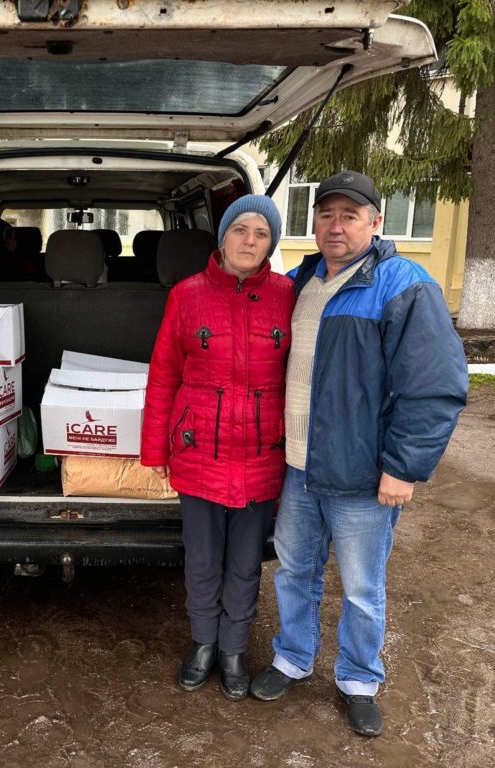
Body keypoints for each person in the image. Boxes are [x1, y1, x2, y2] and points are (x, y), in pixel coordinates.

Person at [249, 170, 468, 737]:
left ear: (376, 222)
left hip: (363, 476)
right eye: (326, 214)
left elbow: (433, 386)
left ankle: (359, 679)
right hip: (298, 465)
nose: (336, 226)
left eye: (350, 215)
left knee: (363, 586)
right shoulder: (303, 280)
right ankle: (292, 659)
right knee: (295, 571)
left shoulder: (403, 285)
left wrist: (403, 467)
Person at [141, 195, 295, 701]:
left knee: (246, 561)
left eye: (262, 233)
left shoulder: (287, 295)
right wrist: (155, 451)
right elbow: (164, 375)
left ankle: (233, 649)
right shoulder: (187, 295)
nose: (250, 241)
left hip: (261, 452)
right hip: (197, 449)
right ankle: (203, 643)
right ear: (223, 235)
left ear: (271, 242)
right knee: (202, 559)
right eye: (241, 230)